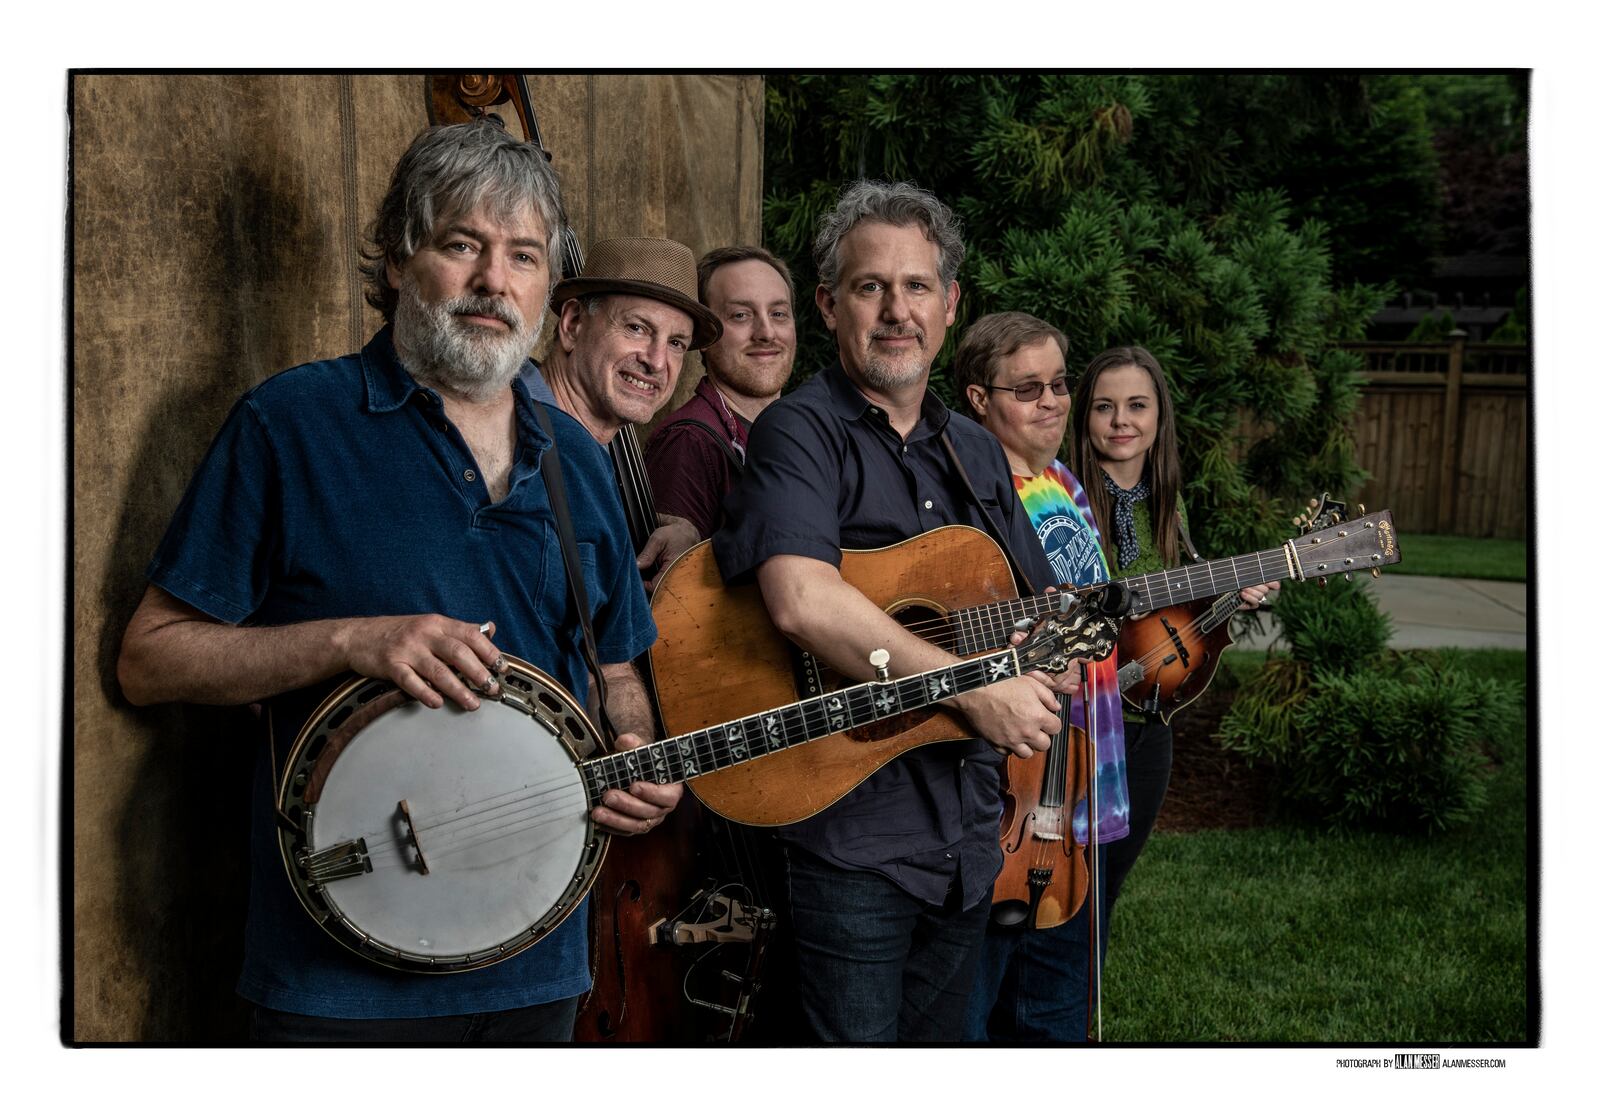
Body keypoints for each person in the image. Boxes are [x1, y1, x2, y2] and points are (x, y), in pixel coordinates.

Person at [115, 119, 680, 1043]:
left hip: (536, 964)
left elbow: (617, 669)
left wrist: (633, 748)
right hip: (335, 977)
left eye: (524, 257)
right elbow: (150, 659)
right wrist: (353, 640)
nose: (495, 281)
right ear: (396, 264)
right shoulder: (289, 424)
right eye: (463, 245)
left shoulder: (577, 460)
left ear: (546, 292)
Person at [712, 180, 1069, 1042]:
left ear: (950, 305)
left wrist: (1048, 650)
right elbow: (800, 600)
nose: (895, 310)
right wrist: (973, 687)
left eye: (916, 288)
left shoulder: (976, 449)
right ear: (832, 304)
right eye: (871, 287)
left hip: (967, 835)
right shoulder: (798, 432)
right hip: (849, 838)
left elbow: (1034, 607)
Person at [954, 311, 1132, 1042]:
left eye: (1060, 384)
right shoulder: (975, 494)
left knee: (1058, 1014)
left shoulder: (1063, 481)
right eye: (1029, 389)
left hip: (1084, 791)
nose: (1054, 401)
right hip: (1018, 804)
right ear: (978, 398)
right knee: (975, 1010)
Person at [521, 236, 721, 583]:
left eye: (676, 343)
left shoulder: (603, 451)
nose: (657, 362)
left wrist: (677, 533)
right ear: (572, 324)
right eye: (637, 328)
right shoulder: (500, 427)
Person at [644, 245, 797, 538]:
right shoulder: (688, 442)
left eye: (778, 313)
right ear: (704, 336)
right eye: (741, 315)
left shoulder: (799, 434)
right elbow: (672, 582)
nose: (766, 332)